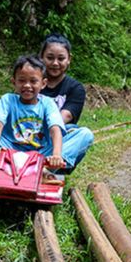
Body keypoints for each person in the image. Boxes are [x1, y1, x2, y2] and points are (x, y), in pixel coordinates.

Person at [0, 54, 82, 174]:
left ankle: (46, 171)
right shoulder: (8, 99)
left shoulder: (48, 103)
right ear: (13, 82)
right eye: (21, 80)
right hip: (7, 150)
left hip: (40, 153)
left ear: (43, 84)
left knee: (84, 134)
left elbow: (55, 129)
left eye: (33, 81)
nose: (27, 85)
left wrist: (56, 155)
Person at [38, 33, 94, 172]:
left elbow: (64, 118)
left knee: (85, 134)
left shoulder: (75, 88)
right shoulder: (31, 82)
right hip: (26, 136)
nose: (55, 63)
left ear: (69, 59)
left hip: (54, 143)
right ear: (41, 57)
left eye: (61, 58)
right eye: (50, 58)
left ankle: (48, 169)